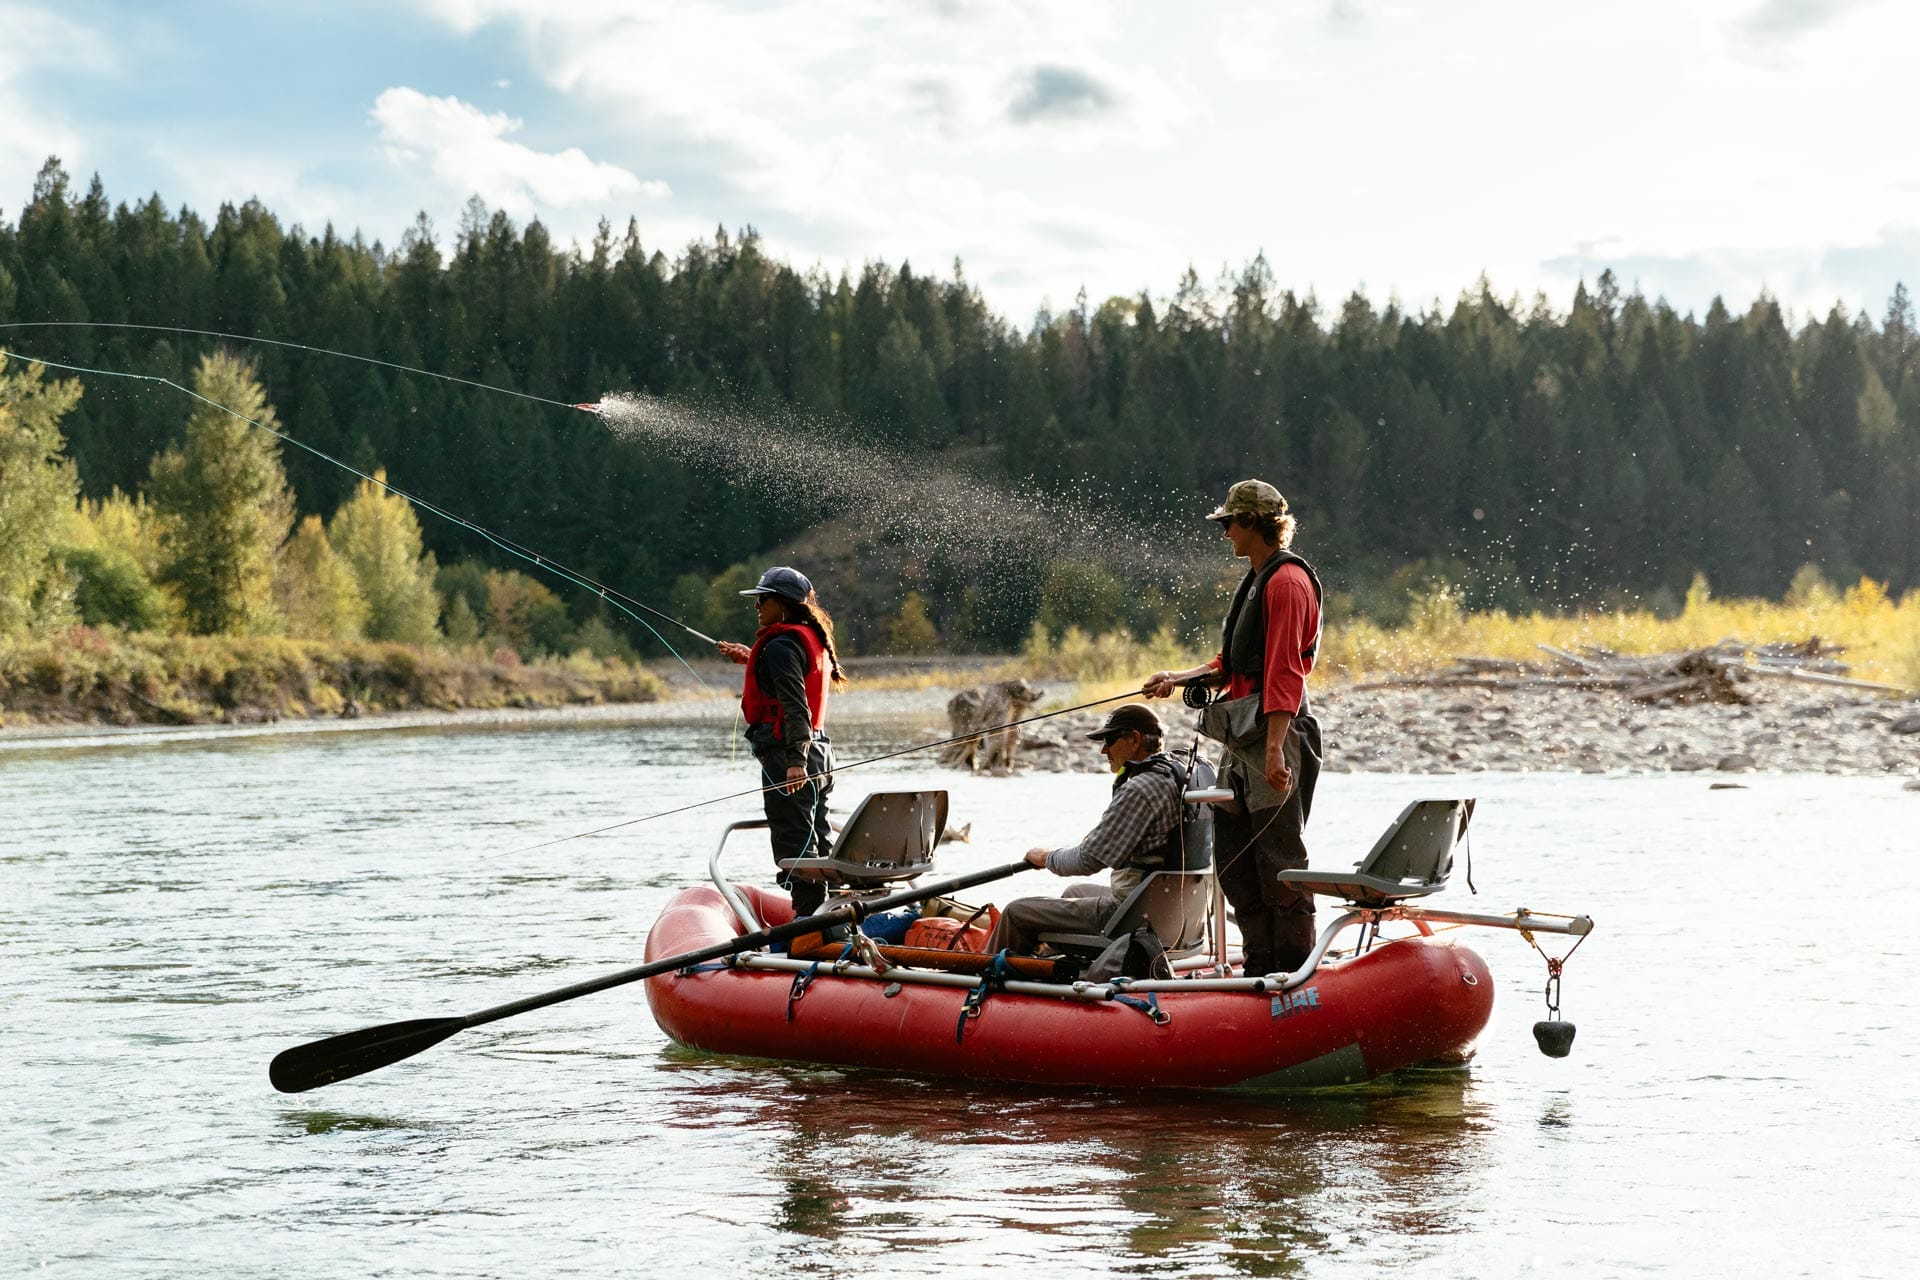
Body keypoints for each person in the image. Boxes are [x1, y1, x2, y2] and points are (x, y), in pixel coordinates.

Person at [1143, 479, 1323, 976]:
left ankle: (1290, 975)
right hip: (1244, 742)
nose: (1224, 533)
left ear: (1253, 524)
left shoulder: (1286, 583)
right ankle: (1258, 973)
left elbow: (1285, 671)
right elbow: (1232, 662)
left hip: (1275, 737)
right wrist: (1176, 679)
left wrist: (1274, 751)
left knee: (1278, 865)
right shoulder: (1257, 577)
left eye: (1228, 523)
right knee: (1236, 866)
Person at [983, 704, 1194, 956]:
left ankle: (984, 980)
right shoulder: (1181, 775)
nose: (1104, 749)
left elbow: (1086, 861)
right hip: (1174, 910)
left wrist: (1045, 857)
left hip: (1137, 917)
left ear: (1135, 739)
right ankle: (1054, 965)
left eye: (1109, 739)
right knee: (1075, 893)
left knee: (1017, 912)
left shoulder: (1141, 787)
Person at [715, 566, 848, 918]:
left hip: (793, 758)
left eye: (763, 599)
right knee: (818, 841)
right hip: (821, 753)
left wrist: (794, 763)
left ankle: (810, 929)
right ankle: (832, 920)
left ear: (782, 603)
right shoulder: (804, 638)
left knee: (797, 849)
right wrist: (751, 657)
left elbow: (794, 707)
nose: (757, 605)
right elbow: (792, 678)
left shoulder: (780, 646)